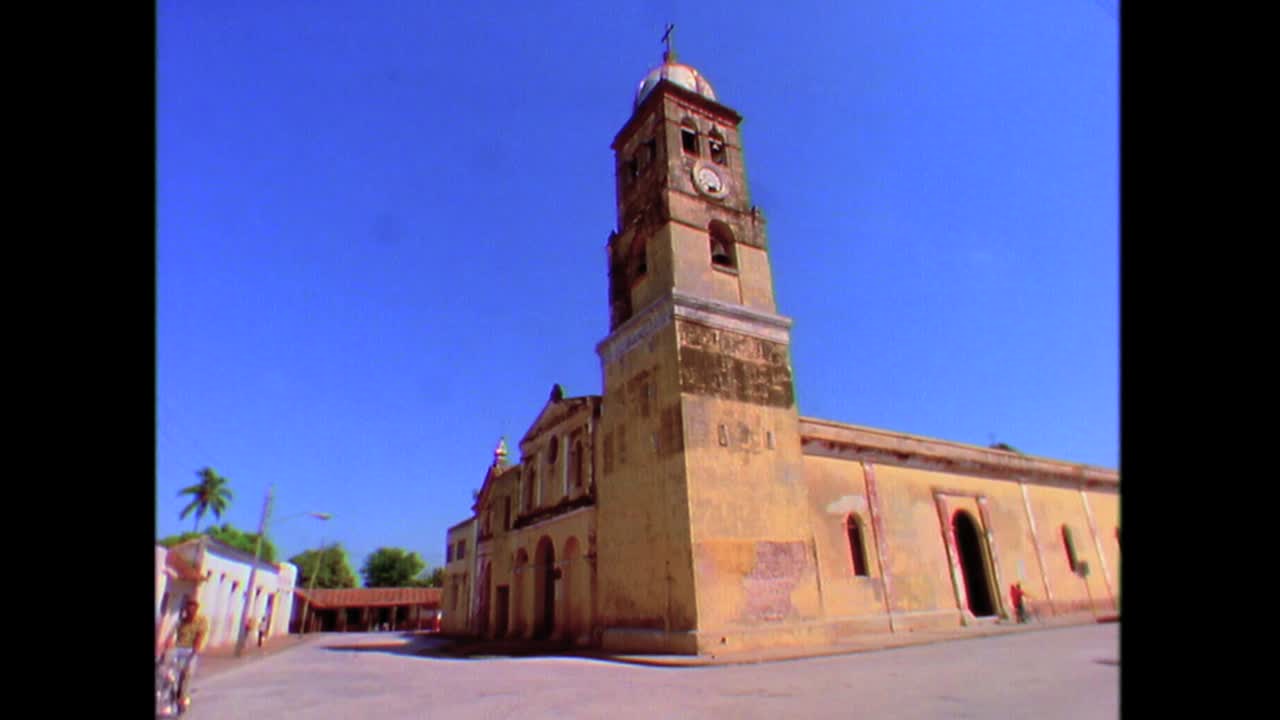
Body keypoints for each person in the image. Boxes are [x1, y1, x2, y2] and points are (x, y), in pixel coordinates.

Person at [161, 598, 209, 713]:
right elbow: (171, 634)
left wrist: (195, 650)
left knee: (187, 674)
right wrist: (165, 648)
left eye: (192, 609)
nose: (189, 612)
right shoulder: (181, 621)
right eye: (187, 609)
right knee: (169, 673)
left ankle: (183, 698)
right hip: (179, 648)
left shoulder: (201, 621)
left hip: (191, 650)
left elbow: (199, 636)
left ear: (196, 610)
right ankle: (169, 697)